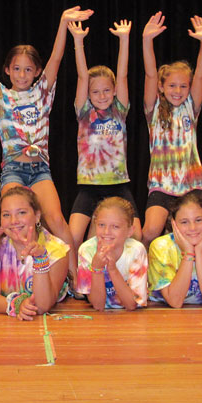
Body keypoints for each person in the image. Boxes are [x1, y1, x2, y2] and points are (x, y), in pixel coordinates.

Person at [0, 7, 93, 284]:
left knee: (56, 221)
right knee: (10, 222)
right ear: (7, 70)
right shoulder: (0, 96)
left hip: (40, 170)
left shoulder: (42, 92)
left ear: (37, 71)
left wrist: (63, 22)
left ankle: (76, 279)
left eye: (28, 69)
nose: (22, 74)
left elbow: (56, 58)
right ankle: (2, 278)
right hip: (13, 171)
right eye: (16, 68)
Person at [140, 11, 202, 248]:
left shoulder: (190, 108)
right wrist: (147, 41)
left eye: (183, 86)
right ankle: (145, 265)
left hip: (192, 182)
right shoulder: (153, 109)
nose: (178, 90)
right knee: (150, 231)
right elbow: (150, 73)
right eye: (172, 85)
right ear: (161, 87)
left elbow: (201, 74)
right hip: (162, 183)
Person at [67, 17, 142, 247]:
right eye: (96, 92)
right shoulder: (84, 112)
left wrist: (124, 40)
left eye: (107, 90)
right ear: (88, 94)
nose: (102, 96)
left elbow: (123, 75)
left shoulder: (119, 110)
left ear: (114, 90)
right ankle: (79, 271)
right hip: (89, 186)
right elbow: (82, 76)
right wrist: (78, 42)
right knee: (73, 237)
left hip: (118, 184)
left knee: (137, 235)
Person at [0, 186, 69, 321]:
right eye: (6, 214)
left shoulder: (57, 249)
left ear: (37, 216)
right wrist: (17, 305)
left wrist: (40, 259)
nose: (13, 221)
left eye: (21, 213)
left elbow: (42, 306)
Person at [148, 192, 202, 308]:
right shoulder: (160, 247)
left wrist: (199, 253)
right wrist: (188, 253)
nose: (193, 228)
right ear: (174, 224)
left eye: (198, 220)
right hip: (165, 314)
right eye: (184, 222)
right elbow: (175, 302)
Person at [74, 197, 147, 312]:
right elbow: (98, 305)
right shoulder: (86, 250)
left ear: (130, 231)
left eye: (115, 226)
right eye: (101, 225)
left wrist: (112, 269)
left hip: (130, 316)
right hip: (101, 316)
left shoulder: (137, 251)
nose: (106, 232)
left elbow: (131, 305)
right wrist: (97, 268)